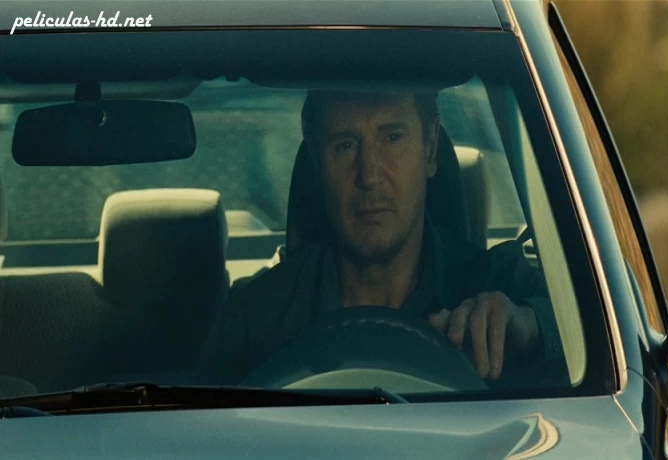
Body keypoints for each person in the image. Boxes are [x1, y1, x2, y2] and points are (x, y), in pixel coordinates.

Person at [198, 90, 560, 386]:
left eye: (392, 138)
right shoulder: (255, 319)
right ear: (316, 163)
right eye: (345, 145)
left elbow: (586, 332)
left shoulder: (498, 284)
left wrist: (528, 326)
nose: (368, 176)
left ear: (430, 148)